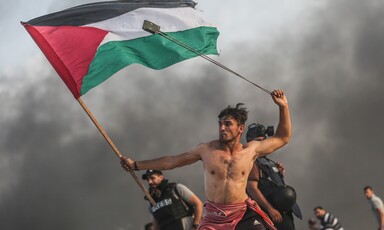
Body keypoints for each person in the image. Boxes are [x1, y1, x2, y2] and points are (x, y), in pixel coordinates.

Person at [121, 89, 291, 230]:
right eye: (220, 124)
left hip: (241, 213)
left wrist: (283, 106)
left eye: (227, 124)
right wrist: (136, 165)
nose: (222, 128)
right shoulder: (206, 150)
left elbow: (283, 137)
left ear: (240, 128)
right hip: (214, 217)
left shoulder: (251, 150)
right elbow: (171, 161)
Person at [246, 123, 302, 230]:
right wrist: (270, 209)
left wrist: (279, 174)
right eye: (259, 141)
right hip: (271, 214)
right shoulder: (252, 162)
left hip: (283, 212)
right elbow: (252, 189)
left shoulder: (267, 161)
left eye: (264, 140)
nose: (263, 144)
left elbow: (272, 185)